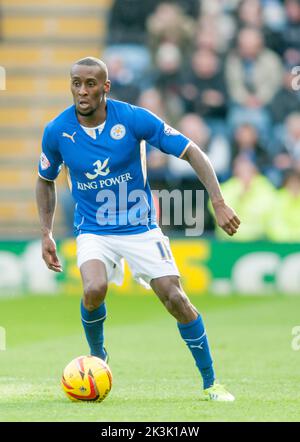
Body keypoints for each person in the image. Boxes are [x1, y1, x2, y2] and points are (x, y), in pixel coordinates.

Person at [36, 57, 240, 402]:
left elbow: (192, 152)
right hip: (93, 229)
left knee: (175, 298)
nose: (82, 91)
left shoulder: (132, 119)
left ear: (105, 87)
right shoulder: (57, 131)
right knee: (94, 288)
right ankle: (99, 356)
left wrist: (218, 202)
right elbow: (45, 180)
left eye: (90, 84)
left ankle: (211, 383)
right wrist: (46, 233)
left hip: (140, 227)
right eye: (76, 84)